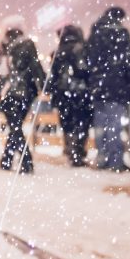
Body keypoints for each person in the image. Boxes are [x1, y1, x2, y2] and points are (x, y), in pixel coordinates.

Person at [84, 6, 130, 171]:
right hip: (117, 85)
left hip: (98, 86)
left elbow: (89, 59)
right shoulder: (121, 33)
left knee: (100, 124)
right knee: (114, 124)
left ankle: (102, 158)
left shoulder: (95, 33)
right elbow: (127, 60)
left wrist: (94, 80)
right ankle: (115, 161)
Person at [0, 18, 46, 173]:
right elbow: (35, 66)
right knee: (16, 127)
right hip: (26, 93)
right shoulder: (27, 44)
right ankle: (25, 163)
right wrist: (42, 84)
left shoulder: (0, 47)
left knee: (14, 127)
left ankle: (7, 161)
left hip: (7, 93)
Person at [46, 24, 91, 167]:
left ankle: (70, 149)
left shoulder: (57, 53)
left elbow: (52, 76)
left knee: (67, 123)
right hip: (81, 92)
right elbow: (87, 71)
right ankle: (78, 152)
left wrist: (50, 91)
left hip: (63, 94)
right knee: (82, 123)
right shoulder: (83, 50)